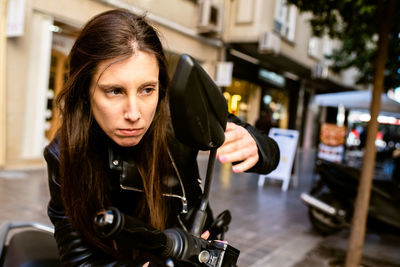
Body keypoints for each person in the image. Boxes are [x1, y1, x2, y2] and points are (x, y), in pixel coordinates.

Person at [44, 9, 280, 266]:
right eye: (114, 91)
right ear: (85, 91)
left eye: (147, 89)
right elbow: (78, 258)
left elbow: (271, 153)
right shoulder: (63, 154)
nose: (134, 113)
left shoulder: (181, 116)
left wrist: (255, 145)